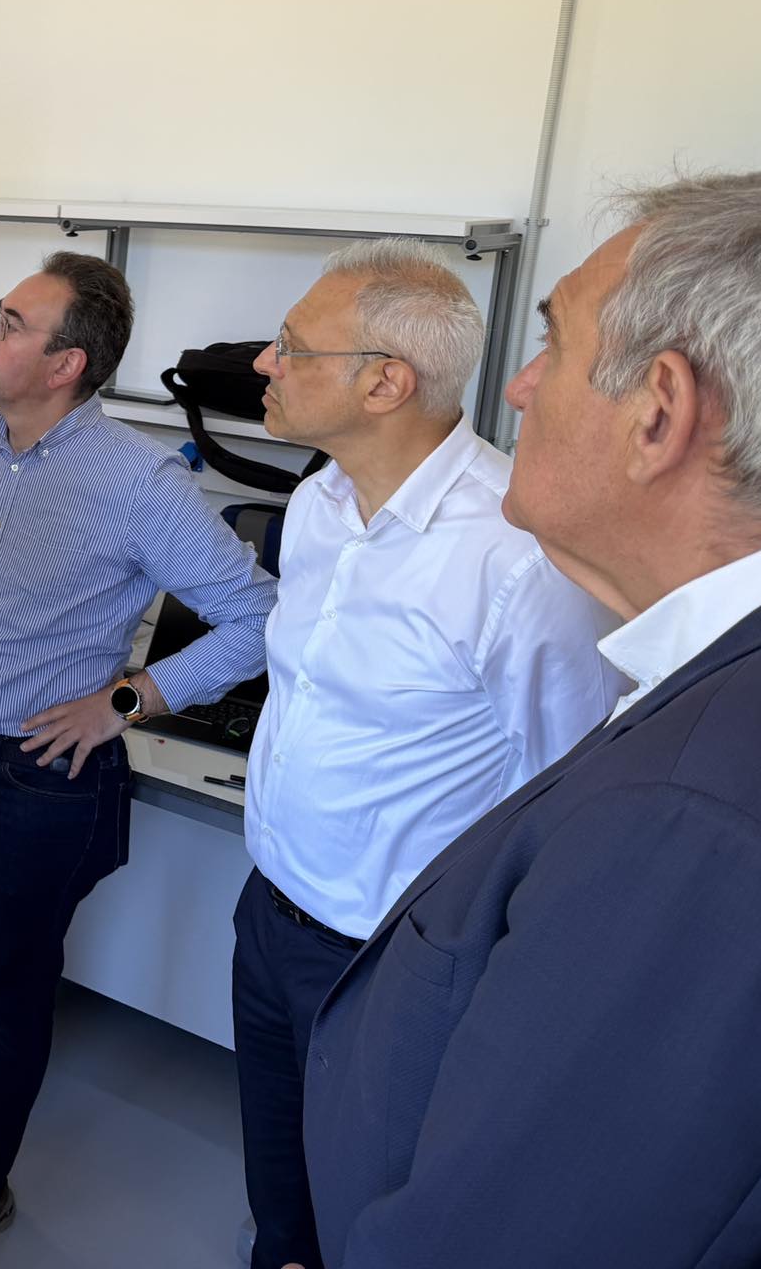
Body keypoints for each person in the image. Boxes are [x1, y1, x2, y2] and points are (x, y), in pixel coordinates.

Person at [299, 169, 761, 1268]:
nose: (520, 387)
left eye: (555, 343)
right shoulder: (748, 677)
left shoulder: (693, 824)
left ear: (658, 412)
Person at [0, 252, 278, 1269]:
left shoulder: (136, 481)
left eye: (9, 323)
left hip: (36, 779)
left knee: (7, 993)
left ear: (66, 364)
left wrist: (125, 701)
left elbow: (257, 618)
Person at [234, 239, 619, 1269]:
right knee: (277, 1187)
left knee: (365, 1209)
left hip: (387, 957)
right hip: (267, 906)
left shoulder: (514, 558)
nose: (264, 362)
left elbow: (566, 790)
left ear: (384, 384)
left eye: (290, 346)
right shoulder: (314, 506)